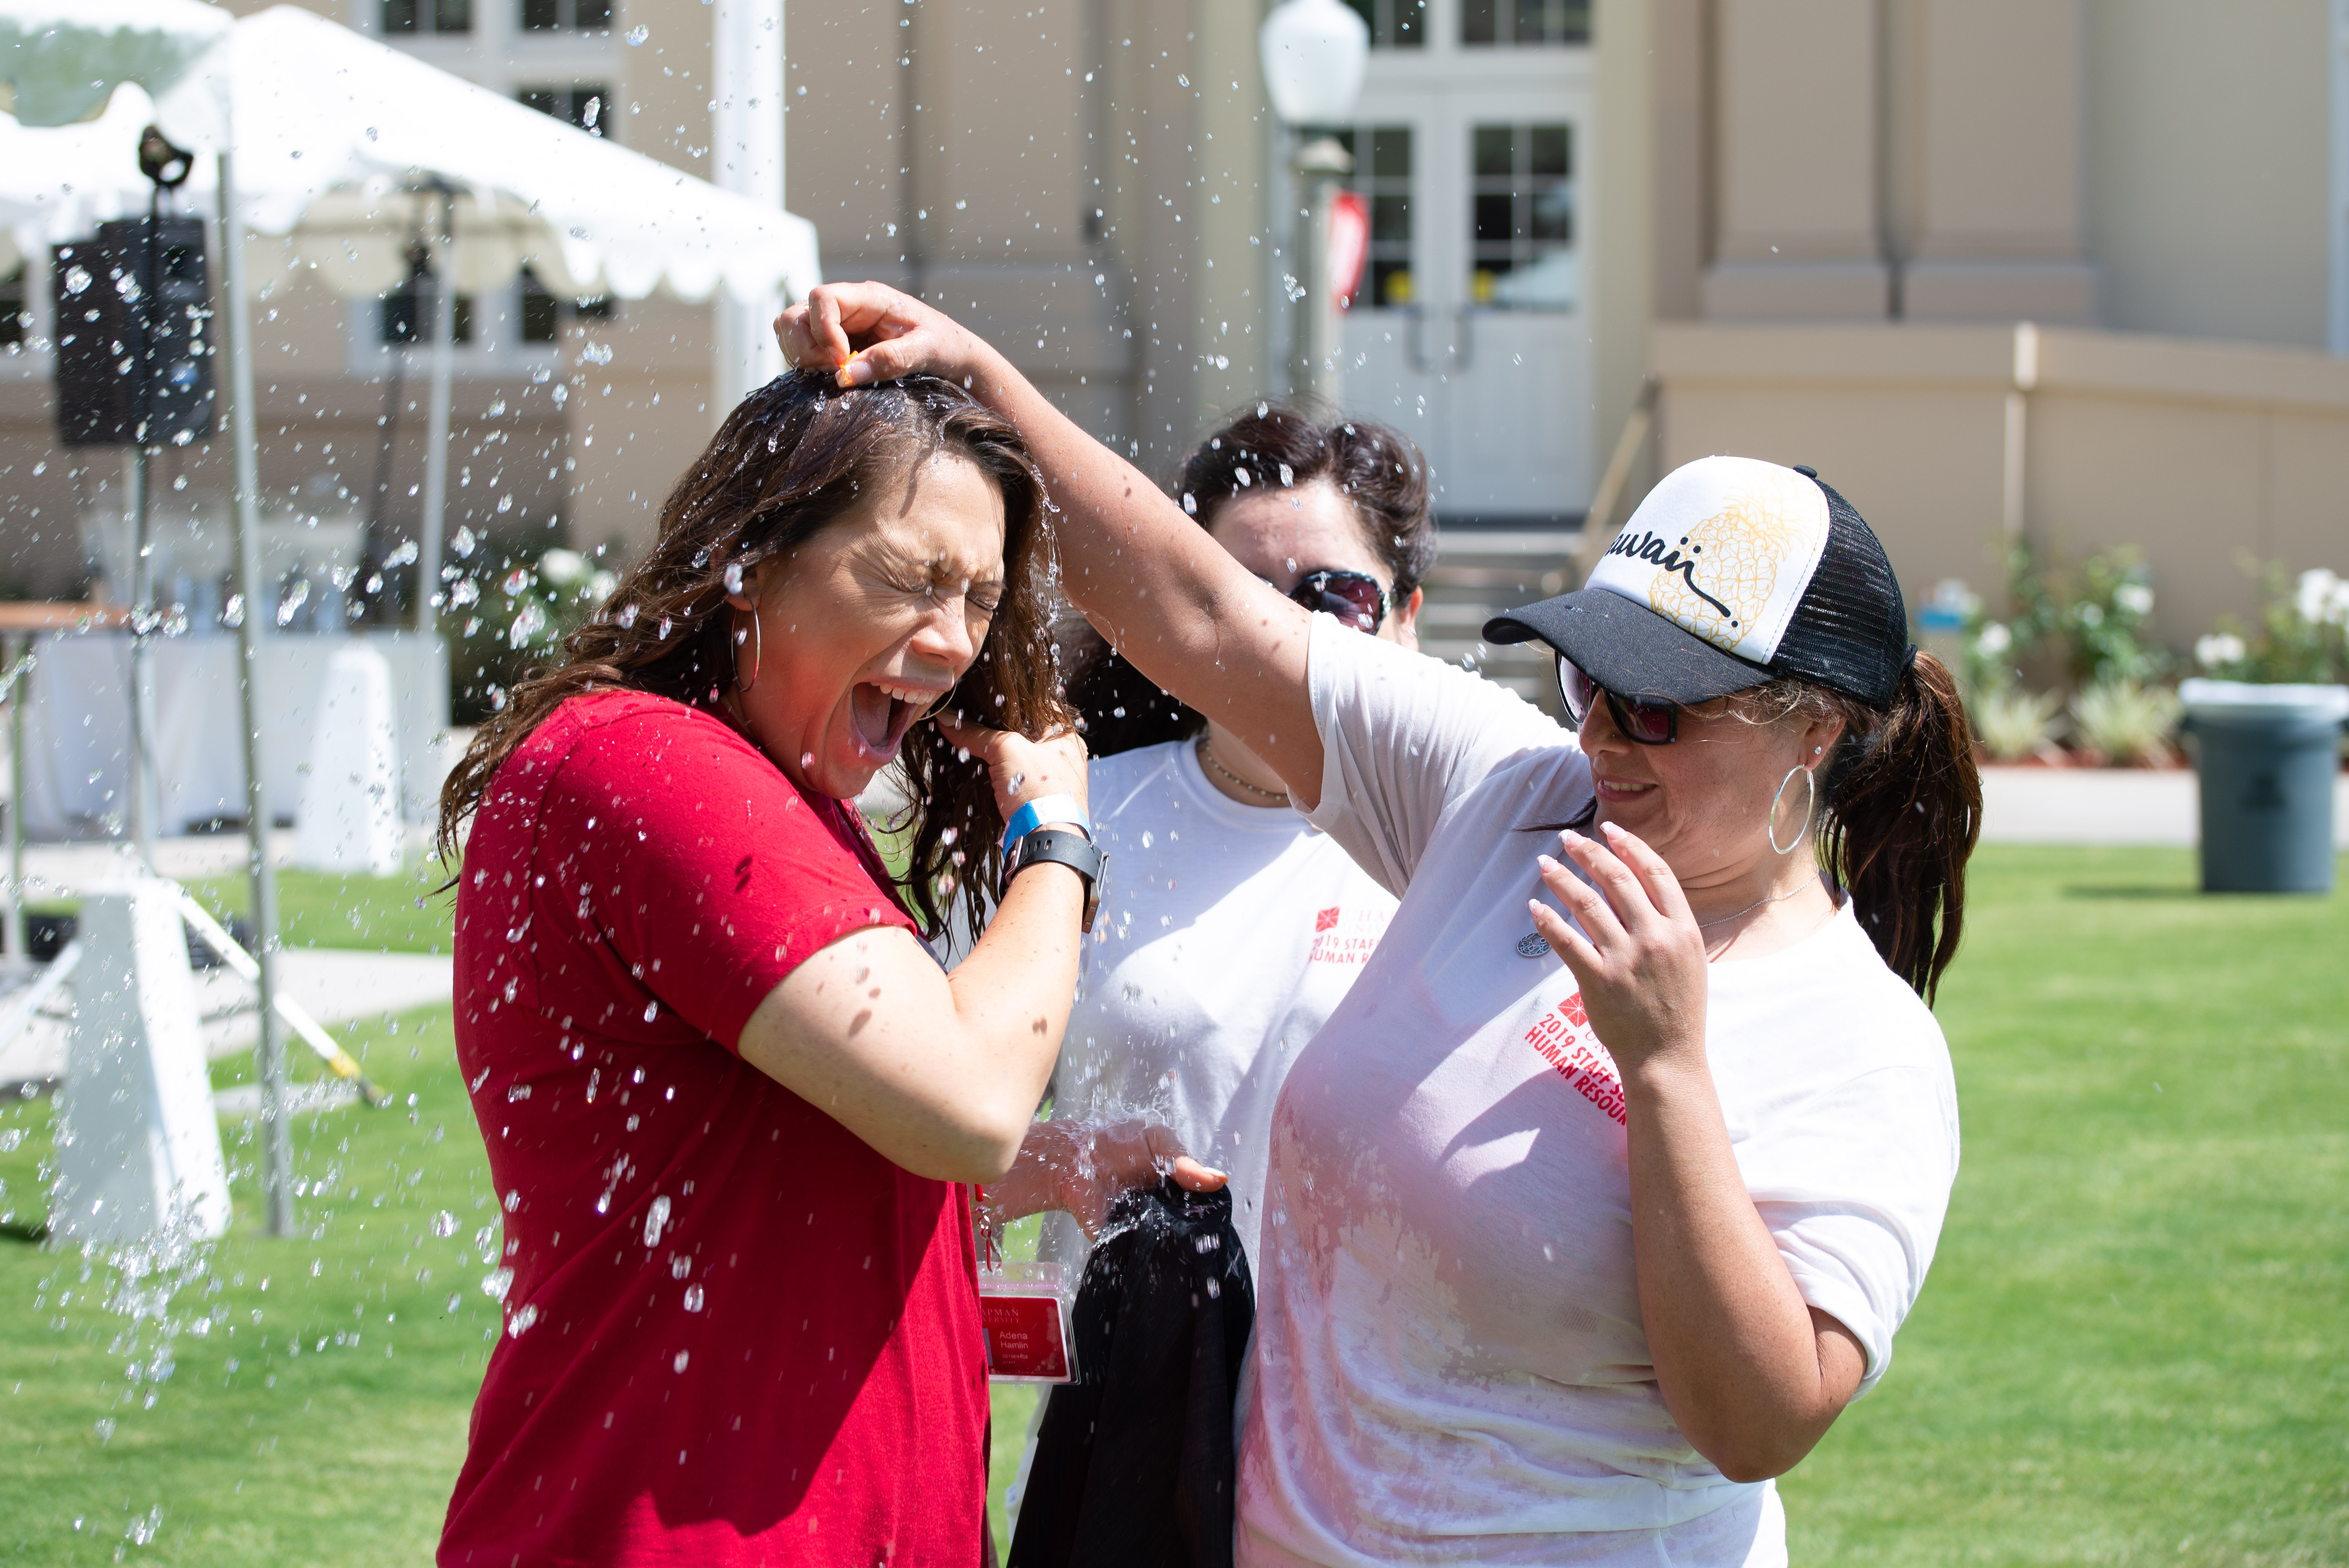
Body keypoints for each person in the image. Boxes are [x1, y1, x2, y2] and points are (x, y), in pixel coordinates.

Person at [779, 283, 1981, 1568]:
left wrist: (1668, 1070)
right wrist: (974, 379)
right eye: (1589, 679)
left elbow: (1758, 1420)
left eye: (1660, 707)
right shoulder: (1511, 796)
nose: (1600, 737)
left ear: (1817, 729)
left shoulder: (1861, 1044)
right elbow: (1201, 613)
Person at [433, 367, 1108, 1567]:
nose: (953, 641)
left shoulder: (780, 792)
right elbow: (968, 1103)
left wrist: (1072, 1165)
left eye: (980, 599)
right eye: (908, 578)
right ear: (751, 557)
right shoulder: (648, 765)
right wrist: (1054, 837)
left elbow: (779, 1158)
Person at [981, 405, 1432, 1288]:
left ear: (1405, 617)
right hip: (1127, 1372)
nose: (1284, 637)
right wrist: (1062, 1159)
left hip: (1371, 1384)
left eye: (1334, 599)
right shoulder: (1077, 815)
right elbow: (917, 1141)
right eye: (1240, 596)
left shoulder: (1462, 845)